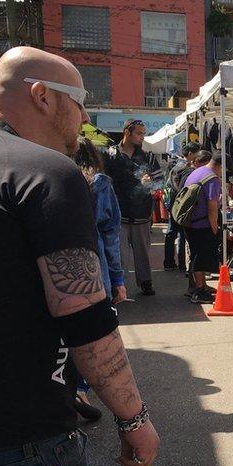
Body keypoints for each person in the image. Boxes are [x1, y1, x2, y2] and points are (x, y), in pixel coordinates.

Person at [0, 46, 160, 466]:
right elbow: (85, 318)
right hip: (20, 448)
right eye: (79, 101)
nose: (84, 117)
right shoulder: (46, 172)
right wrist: (134, 418)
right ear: (42, 96)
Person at [71, 136, 128, 421]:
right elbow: (110, 234)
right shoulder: (99, 183)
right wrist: (118, 278)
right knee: (92, 334)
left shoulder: (51, 176)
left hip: (56, 272)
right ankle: (81, 389)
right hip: (94, 270)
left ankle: (66, 389)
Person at [104, 118, 159, 296]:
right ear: (127, 132)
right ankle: (120, 286)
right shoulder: (111, 154)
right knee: (118, 253)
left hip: (141, 212)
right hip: (118, 211)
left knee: (142, 250)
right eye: (139, 133)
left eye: (143, 133)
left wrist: (149, 183)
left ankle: (145, 282)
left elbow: (159, 181)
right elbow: (102, 179)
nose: (143, 137)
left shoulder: (148, 156)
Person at [183, 154, 224, 304]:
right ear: (220, 166)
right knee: (200, 257)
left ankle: (201, 286)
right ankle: (199, 291)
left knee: (195, 254)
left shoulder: (198, 171)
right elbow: (212, 208)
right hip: (202, 224)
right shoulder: (212, 179)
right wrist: (215, 230)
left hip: (190, 222)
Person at [165, 142, 201, 270]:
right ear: (190, 153)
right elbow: (177, 186)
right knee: (180, 233)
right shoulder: (184, 167)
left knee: (172, 233)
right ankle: (180, 263)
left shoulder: (178, 165)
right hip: (179, 204)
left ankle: (170, 262)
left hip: (174, 204)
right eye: (197, 153)